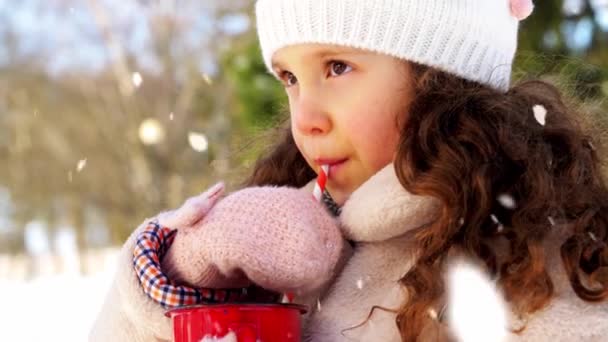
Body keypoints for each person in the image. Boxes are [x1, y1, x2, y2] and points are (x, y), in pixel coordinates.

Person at [90, 0, 608, 340]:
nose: (305, 119)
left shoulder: (546, 268)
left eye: (337, 68)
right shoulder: (281, 247)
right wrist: (182, 277)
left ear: (442, 78)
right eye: (289, 78)